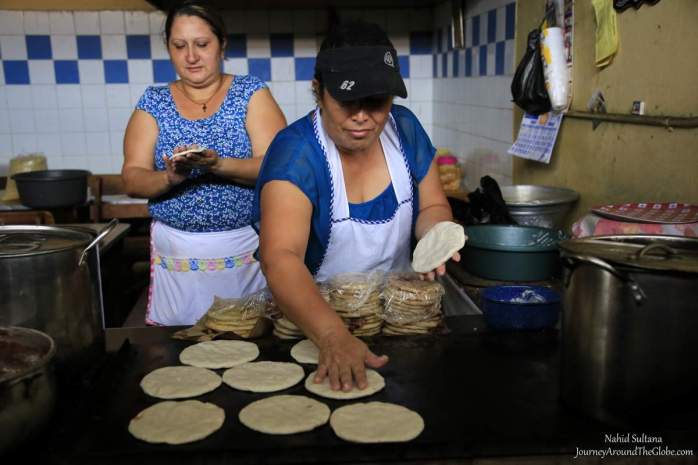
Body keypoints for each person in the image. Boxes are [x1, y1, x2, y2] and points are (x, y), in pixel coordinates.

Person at [255, 21, 459, 391]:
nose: (363, 116)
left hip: (399, 325)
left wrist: (437, 234)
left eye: (377, 101)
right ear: (318, 91)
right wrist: (332, 336)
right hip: (316, 331)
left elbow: (432, 207)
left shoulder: (405, 129)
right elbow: (280, 257)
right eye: (348, 101)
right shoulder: (297, 152)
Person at [122, 0, 286, 326]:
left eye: (202, 44)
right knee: (176, 350)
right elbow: (132, 178)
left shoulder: (250, 93)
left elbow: (276, 168)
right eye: (179, 46)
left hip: (244, 249)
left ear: (221, 44)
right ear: (168, 47)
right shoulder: (153, 102)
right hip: (177, 256)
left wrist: (216, 164)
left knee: (248, 342)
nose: (191, 56)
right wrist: (170, 177)